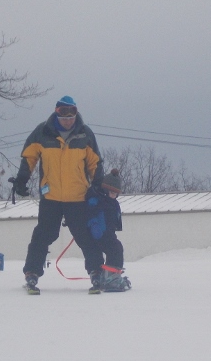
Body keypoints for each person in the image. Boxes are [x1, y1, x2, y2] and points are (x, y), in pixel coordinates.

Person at [13, 96, 105, 294]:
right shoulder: (42, 133)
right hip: (51, 197)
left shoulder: (84, 134)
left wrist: (98, 185)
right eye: (64, 117)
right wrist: (21, 179)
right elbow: (29, 157)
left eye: (71, 117)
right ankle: (32, 273)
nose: (68, 121)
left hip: (78, 197)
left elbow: (95, 162)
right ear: (57, 113)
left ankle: (97, 271)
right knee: (43, 235)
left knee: (86, 236)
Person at [86, 169, 131, 292]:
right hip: (99, 233)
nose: (113, 195)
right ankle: (110, 278)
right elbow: (90, 213)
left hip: (109, 233)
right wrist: (93, 225)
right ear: (105, 190)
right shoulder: (96, 199)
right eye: (111, 192)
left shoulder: (113, 202)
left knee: (116, 248)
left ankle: (111, 276)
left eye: (115, 193)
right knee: (114, 249)